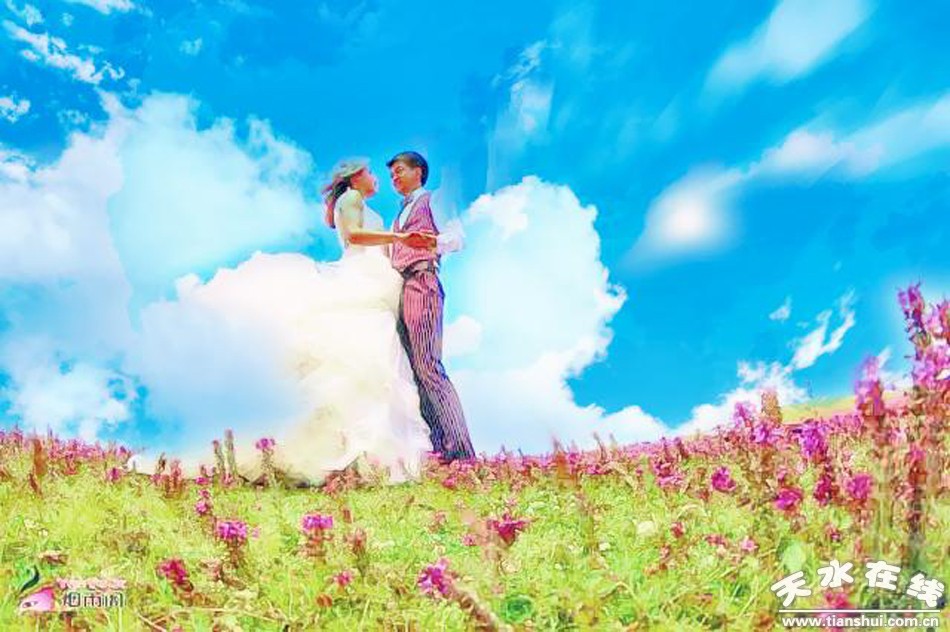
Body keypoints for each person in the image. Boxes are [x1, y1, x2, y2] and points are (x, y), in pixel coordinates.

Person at [128, 159, 437, 487]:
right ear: (356, 176)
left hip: (372, 280)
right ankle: (360, 453)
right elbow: (354, 236)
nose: (378, 178)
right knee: (364, 360)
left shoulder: (356, 201)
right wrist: (401, 237)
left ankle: (363, 453)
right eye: (372, 173)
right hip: (361, 281)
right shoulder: (351, 198)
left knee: (371, 363)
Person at [377, 151, 476, 462]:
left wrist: (431, 243)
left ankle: (461, 451)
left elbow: (457, 238)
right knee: (414, 372)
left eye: (399, 170)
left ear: (418, 171)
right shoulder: (397, 217)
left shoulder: (434, 200)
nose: (394, 178)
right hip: (401, 288)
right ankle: (440, 448)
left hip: (423, 281)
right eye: (391, 175)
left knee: (429, 366)